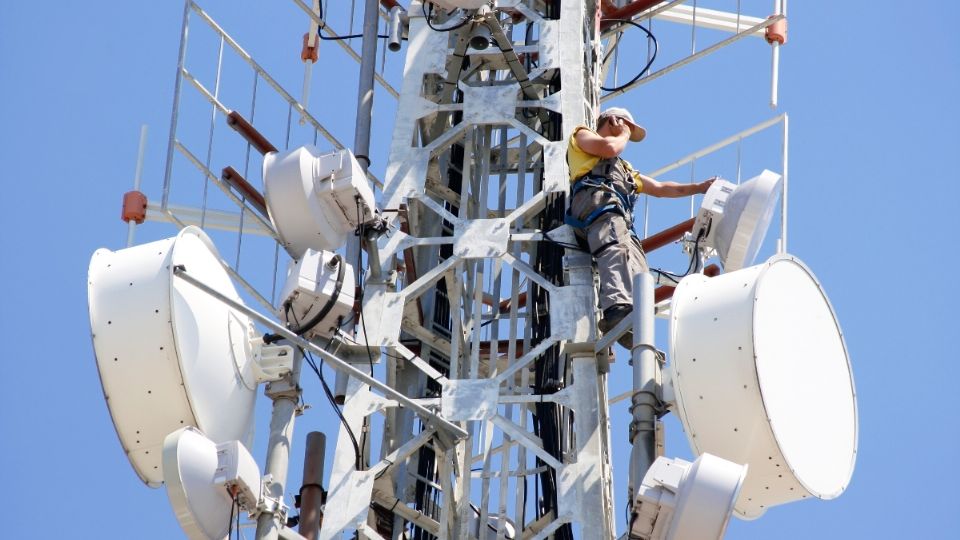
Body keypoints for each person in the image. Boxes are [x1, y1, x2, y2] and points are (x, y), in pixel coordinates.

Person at [566, 107, 715, 342]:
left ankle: (633, 318)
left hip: (616, 216)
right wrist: (622, 135)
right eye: (626, 126)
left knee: (638, 266)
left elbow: (662, 189)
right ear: (613, 120)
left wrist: (699, 188)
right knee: (615, 248)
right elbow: (608, 147)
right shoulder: (583, 136)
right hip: (597, 207)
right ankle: (617, 308)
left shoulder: (624, 169)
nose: (628, 133)